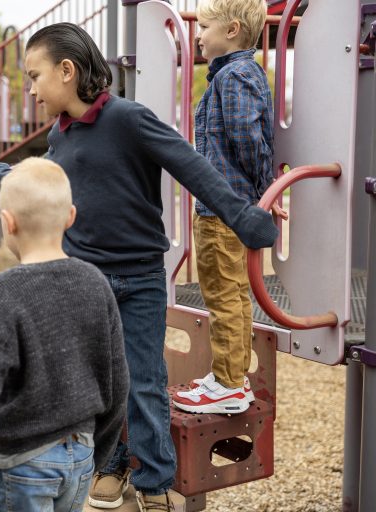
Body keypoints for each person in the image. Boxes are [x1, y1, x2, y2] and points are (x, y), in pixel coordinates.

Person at [0, 22, 279, 512]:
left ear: (67, 71)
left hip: (138, 277)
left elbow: (191, 165)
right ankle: (113, 464)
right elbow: (60, 179)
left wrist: (242, 215)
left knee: (142, 379)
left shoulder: (128, 119)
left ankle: (156, 479)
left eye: (35, 76)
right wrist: (11, 175)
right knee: (102, 382)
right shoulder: (61, 133)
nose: (31, 89)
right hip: (87, 280)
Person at [0, 157, 129, 512]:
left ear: (7, 223)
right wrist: (96, 453)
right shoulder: (95, 282)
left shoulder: (2, 292)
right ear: (70, 217)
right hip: (81, 454)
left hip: (24, 461)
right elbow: (118, 381)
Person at [173, 0, 288, 415]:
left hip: (225, 208)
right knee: (227, 294)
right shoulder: (232, 74)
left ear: (232, 30)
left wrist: (261, 194)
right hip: (225, 206)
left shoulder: (234, 76)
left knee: (224, 297)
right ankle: (228, 375)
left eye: (204, 26)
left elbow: (248, 141)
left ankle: (229, 385)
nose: (198, 34)